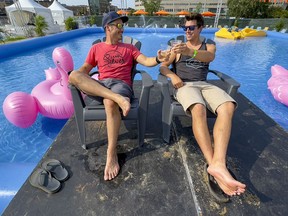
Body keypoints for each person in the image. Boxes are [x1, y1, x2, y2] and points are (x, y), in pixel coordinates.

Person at [69, 11, 170, 181]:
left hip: (120, 85)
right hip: (101, 85)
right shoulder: (96, 48)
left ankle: (111, 153)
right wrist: (78, 77)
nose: (122, 29)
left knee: (109, 102)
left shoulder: (129, 48)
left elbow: (147, 61)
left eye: (123, 26)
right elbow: (85, 69)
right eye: (119, 26)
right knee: (72, 75)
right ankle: (117, 99)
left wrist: (158, 59)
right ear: (108, 28)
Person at [159, 13, 246, 197]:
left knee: (228, 106)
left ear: (200, 28)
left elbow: (209, 57)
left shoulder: (209, 45)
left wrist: (191, 51)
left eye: (191, 28)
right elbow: (163, 66)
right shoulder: (178, 46)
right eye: (185, 28)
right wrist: (173, 75)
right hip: (185, 85)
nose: (188, 31)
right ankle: (212, 163)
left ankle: (218, 164)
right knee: (198, 108)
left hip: (205, 84)